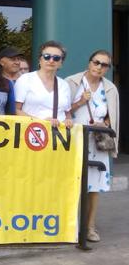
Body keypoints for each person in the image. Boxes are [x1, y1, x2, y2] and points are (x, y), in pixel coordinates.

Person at [66, 50, 119, 243]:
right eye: (96, 62)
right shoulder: (72, 82)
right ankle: (70, 226)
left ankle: (89, 227)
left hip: (97, 141)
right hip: (74, 138)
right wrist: (81, 101)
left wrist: (105, 123)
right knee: (71, 182)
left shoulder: (110, 88)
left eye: (104, 65)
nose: (99, 67)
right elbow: (62, 110)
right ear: (89, 63)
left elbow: (111, 114)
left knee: (94, 187)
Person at [14, 41, 73, 128]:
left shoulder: (64, 85)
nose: (51, 60)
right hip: (31, 132)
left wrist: (68, 121)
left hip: (57, 136)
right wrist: (41, 122)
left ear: (61, 63)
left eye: (56, 58)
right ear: (40, 59)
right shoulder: (25, 79)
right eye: (47, 57)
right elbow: (15, 110)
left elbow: (67, 113)